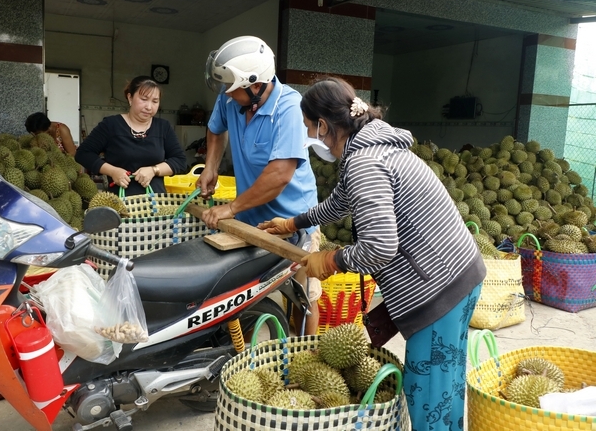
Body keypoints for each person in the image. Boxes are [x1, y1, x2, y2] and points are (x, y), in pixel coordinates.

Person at [258, 77, 485, 431]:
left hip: (438, 287)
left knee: (426, 391)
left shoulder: (365, 162)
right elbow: (340, 202)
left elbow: (380, 246)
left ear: (324, 124)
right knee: (446, 384)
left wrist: (330, 261)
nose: (311, 138)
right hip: (460, 271)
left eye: (310, 129)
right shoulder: (371, 147)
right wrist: (292, 223)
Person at [198, 35, 321, 335]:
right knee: (249, 296)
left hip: (295, 221)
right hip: (251, 222)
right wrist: (211, 167)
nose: (226, 94)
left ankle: (306, 355)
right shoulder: (230, 97)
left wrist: (231, 207)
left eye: (232, 88)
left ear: (255, 86)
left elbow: (279, 175)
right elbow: (215, 130)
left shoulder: (290, 108)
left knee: (304, 299)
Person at [75, 76, 186, 196]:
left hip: (155, 205)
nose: (149, 107)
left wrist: (154, 170)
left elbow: (180, 161)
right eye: (144, 99)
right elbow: (83, 154)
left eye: (155, 101)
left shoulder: (164, 127)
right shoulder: (111, 125)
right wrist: (113, 171)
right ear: (130, 97)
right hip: (119, 203)